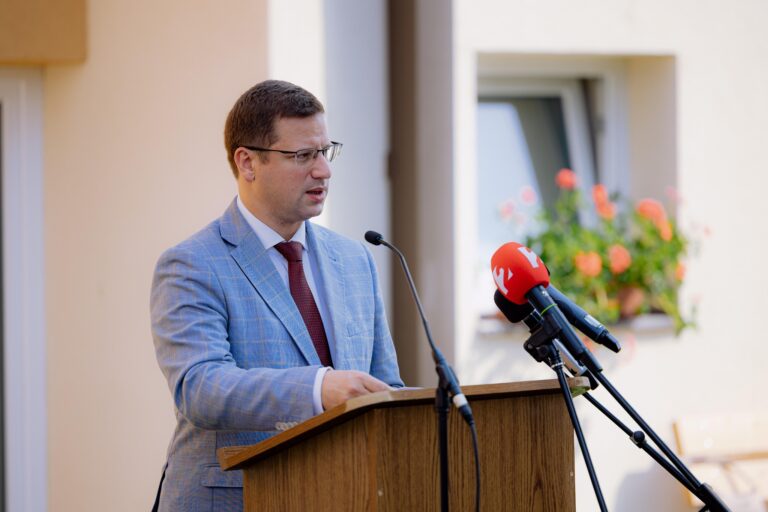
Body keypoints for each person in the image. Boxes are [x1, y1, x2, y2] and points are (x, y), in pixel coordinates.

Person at [150, 80, 403, 512]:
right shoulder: (192, 264)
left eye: (325, 151)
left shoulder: (356, 259)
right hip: (236, 500)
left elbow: (385, 388)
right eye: (302, 155)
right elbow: (200, 387)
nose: (323, 171)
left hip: (345, 497)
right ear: (247, 162)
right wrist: (318, 388)